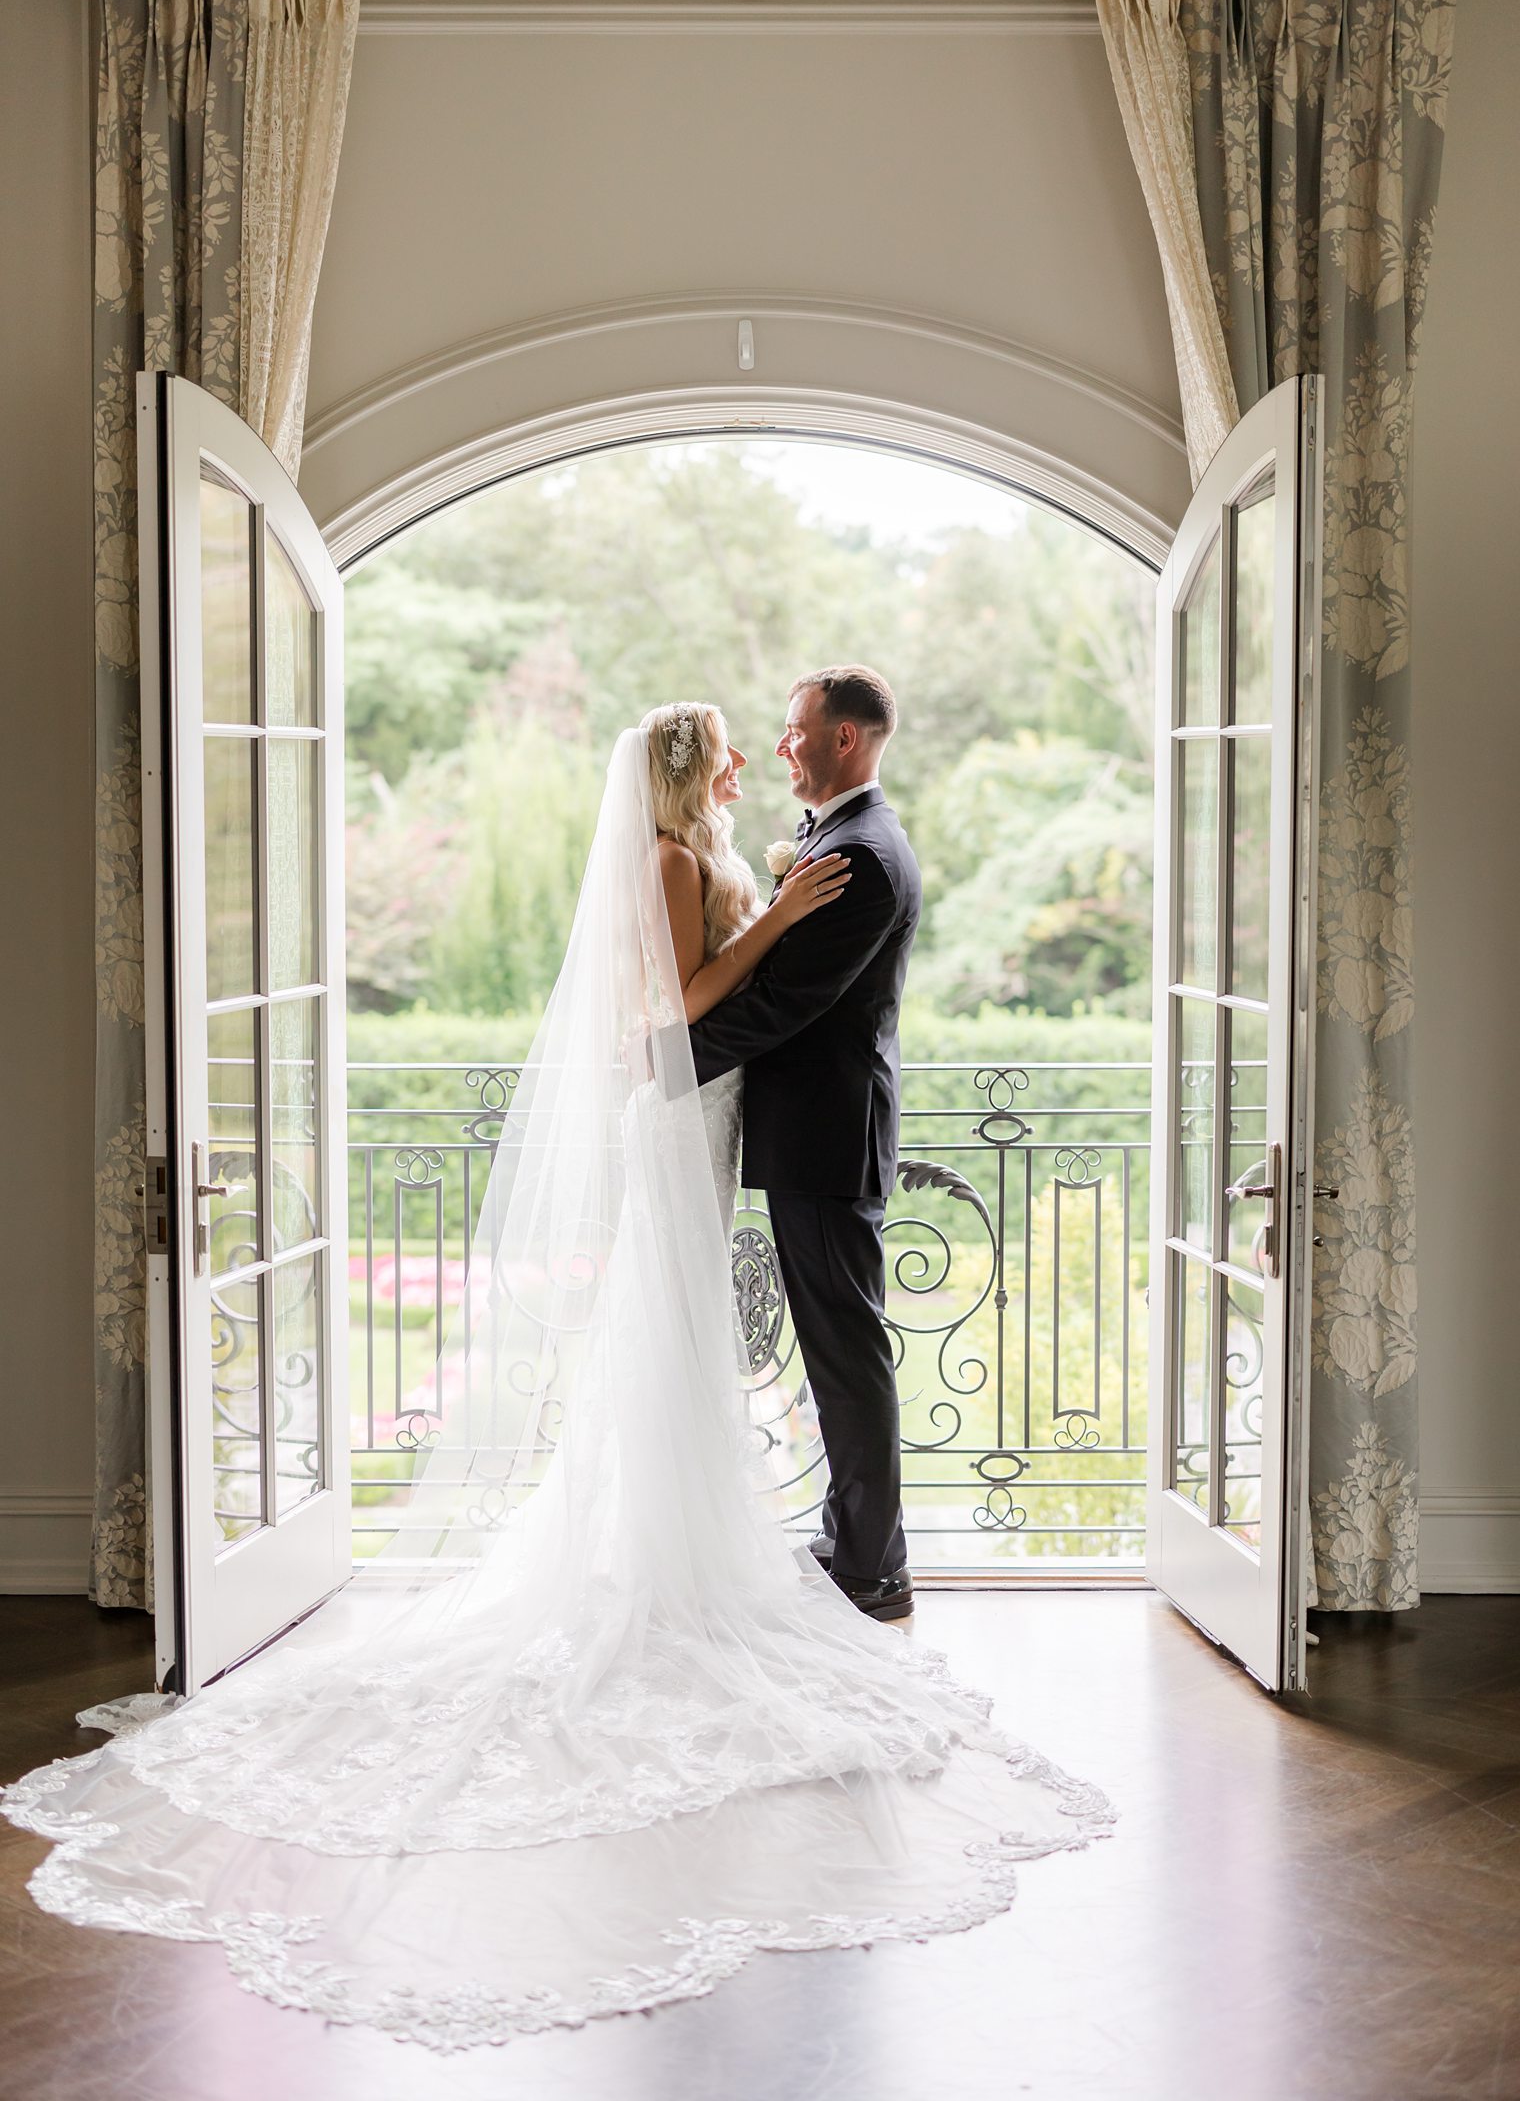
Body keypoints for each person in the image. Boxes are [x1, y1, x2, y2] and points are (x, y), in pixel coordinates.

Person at [1, 700, 1111, 2052]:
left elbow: (748, 993)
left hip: (719, 1118)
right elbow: (687, 1000)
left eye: (790, 730)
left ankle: (795, 1548)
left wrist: (730, 940)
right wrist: (728, 956)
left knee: (726, 1336)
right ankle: (704, 1551)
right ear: (690, 772)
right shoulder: (679, 857)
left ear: (845, 739)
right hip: (687, 1109)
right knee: (681, 1332)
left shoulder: (806, 850)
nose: (763, 752)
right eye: (737, 743)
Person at [685, 666, 921, 1620]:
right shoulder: (840, 839)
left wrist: (667, 1059)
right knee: (838, 1350)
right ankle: (857, 1543)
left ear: (847, 741)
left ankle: (869, 1567)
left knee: (845, 1354)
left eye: (794, 731)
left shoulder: (862, 854)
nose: (781, 745)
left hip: (827, 1142)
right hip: (817, 1135)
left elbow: (788, 1004)